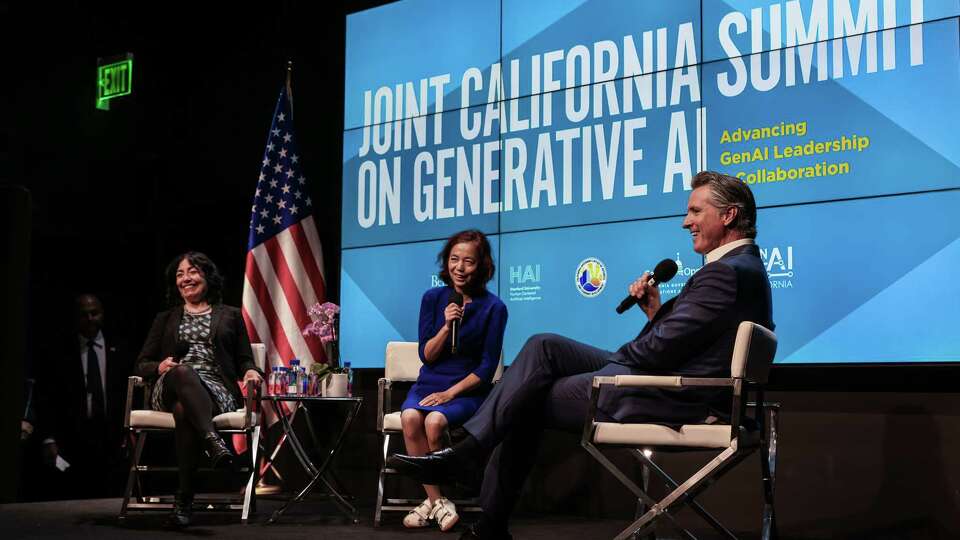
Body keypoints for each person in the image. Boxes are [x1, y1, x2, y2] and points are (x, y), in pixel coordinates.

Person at [390, 171, 775, 540]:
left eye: (695, 211)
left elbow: (659, 350)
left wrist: (617, 361)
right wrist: (655, 313)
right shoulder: (742, 268)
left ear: (728, 215)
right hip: (665, 379)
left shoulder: (726, 272)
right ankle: (470, 454)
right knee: (544, 345)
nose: (685, 221)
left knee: (526, 397)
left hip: (670, 396)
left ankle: (483, 504)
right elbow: (680, 343)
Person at [135, 252, 262, 527]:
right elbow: (142, 363)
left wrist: (252, 371)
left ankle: (184, 498)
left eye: (191, 271)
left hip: (215, 390)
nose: (185, 279)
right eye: (180, 274)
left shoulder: (230, 315)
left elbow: (243, 359)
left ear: (206, 276)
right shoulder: (165, 318)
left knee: (184, 411)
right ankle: (212, 440)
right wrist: (159, 367)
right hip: (169, 386)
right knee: (183, 372)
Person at [399, 229, 508, 532]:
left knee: (434, 422)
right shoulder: (433, 298)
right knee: (410, 417)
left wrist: (450, 394)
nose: (459, 268)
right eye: (454, 260)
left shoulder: (495, 308)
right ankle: (438, 502)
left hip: (467, 389)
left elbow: (487, 368)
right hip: (429, 382)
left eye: (468, 262)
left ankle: (433, 503)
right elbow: (427, 355)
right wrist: (447, 328)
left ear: (482, 266)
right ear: (446, 262)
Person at [35, 294, 132, 499]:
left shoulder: (120, 348)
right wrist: (48, 438)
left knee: (110, 495)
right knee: (74, 496)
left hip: (111, 434)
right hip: (72, 436)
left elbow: (129, 391)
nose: (90, 319)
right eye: (83, 315)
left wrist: (131, 429)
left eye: (94, 313)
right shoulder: (60, 351)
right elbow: (47, 398)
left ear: (102, 314)